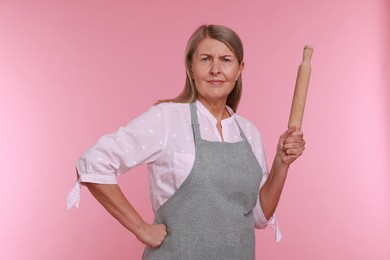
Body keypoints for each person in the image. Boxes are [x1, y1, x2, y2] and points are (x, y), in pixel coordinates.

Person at [67, 24, 305, 259]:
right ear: (191, 68)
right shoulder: (168, 118)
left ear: (239, 69)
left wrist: (281, 163)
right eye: (205, 59)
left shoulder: (248, 131)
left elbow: (258, 215)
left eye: (225, 59)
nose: (215, 69)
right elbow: (93, 163)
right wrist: (142, 229)